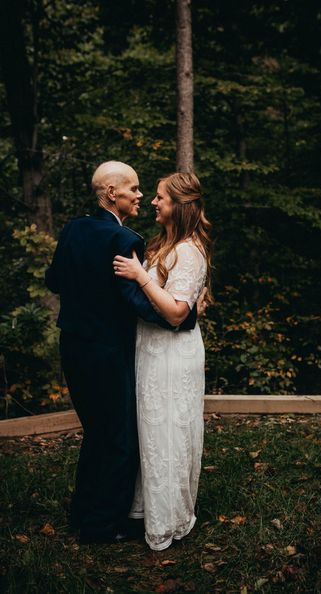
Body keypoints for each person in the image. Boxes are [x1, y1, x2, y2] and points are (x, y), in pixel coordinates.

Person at [45, 161, 197, 544]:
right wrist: (184, 316)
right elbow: (138, 304)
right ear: (112, 193)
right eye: (134, 189)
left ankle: (82, 510)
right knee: (119, 440)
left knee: (95, 432)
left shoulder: (73, 228)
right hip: (108, 352)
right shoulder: (124, 240)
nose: (141, 196)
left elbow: (54, 280)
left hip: (73, 346)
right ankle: (101, 526)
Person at [113, 171, 212, 550]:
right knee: (152, 432)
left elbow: (175, 313)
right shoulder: (168, 244)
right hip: (151, 350)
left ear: (181, 207)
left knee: (169, 432)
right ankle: (145, 510)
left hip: (173, 354)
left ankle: (169, 520)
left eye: (160, 198)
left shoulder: (189, 251)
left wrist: (140, 275)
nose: (153, 202)